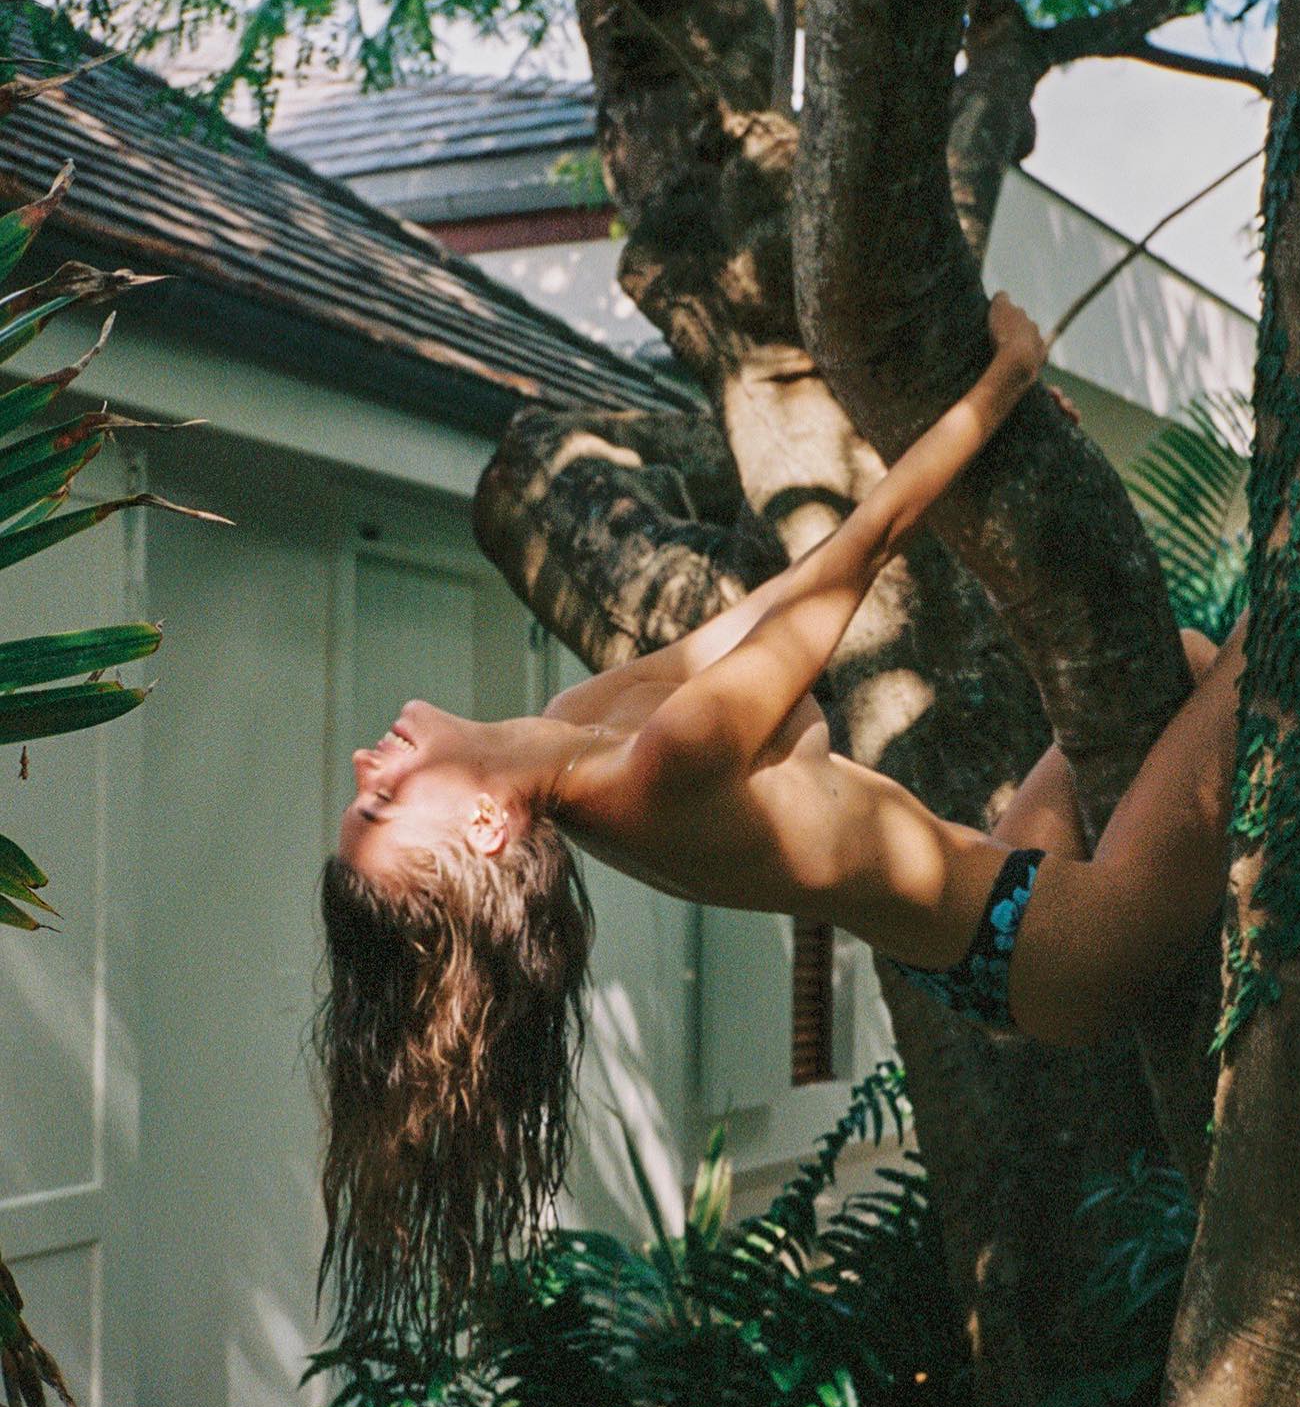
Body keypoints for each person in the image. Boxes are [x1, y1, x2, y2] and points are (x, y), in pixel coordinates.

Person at [319, 294, 1241, 1344]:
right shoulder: (659, 771)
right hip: (1056, 942)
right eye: (384, 805)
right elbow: (858, 552)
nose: (368, 765)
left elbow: (770, 605)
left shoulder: (576, 724)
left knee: (1182, 662)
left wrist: (999, 439)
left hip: (989, 911)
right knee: (1286, 616)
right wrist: (1004, 382)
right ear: (487, 828)